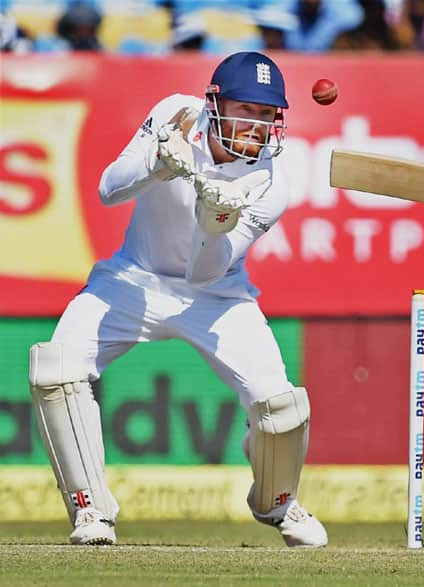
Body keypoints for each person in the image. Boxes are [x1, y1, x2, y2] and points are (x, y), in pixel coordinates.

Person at [27, 51, 327, 548]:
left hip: (218, 296)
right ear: (216, 104)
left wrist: (215, 220)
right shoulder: (174, 116)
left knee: (281, 406)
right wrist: (156, 164)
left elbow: (205, 269)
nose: (257, 126)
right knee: (55, 369)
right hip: (131, 279)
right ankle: (91, 513)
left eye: (267, 116)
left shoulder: (271, 183)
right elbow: (108, 189)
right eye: (246, 111)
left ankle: (277, 503)